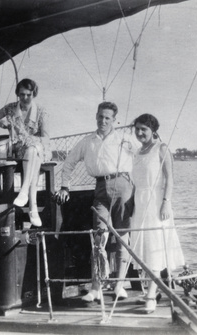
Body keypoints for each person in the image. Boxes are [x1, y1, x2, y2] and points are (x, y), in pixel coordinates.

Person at [55, 101, 137, 302]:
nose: (103, 120)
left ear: (114, 120)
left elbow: (143, 156)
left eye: (107, 117)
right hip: (101, 188)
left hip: (123, 186)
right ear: (96, 116)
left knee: (122, 237)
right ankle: (96, 287)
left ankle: (119, 284)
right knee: (99, 237)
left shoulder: (125, 139)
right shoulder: (88, 141)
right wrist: (65, 186)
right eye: (100, 116)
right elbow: (69, 162)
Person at [130, 113, 185, 313]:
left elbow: (170, 179)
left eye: (143, 129)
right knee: (142, 248)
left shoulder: (161, 149)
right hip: (140, 204)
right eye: (137, 129)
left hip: (156, 203)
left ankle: (151, 295)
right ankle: (153, 289)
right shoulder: (137, 152)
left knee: (155, 248)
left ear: (153, 130)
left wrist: (166, 203)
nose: (139, 132)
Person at [0, 79, 51, 227]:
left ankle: (24, 191)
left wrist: (33, 142)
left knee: (34, 150)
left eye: (28, 95)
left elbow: (45, 137)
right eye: (21, 94)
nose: (25, 98)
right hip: (18, 150)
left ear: (34, 94)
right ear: (17, 94)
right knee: (32, 152)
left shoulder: (41, 111)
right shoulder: (10, 109)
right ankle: (33, 208)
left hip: (38, 149)